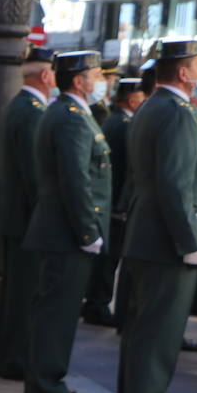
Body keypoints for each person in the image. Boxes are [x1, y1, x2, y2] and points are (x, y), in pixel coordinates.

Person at [118, 40, 197, 393]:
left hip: (152, 238)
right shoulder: (177, 114)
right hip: (168, 243)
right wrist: (190, 242)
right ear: (183, 72)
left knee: (145, 332)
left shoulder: (155, 106)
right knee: (157, 335)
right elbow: (174, 184)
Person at [20, 51, 111, 393]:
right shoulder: (71, 118)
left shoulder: (70, 113)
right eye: (97, 73)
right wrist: (89, 233)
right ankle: (46, 380)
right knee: (57, 311)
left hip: (61, 230)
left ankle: (45, 376)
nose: (102, 79)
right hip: (66, 233)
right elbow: (76, 181)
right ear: (79, 81)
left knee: (55, 308)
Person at [0, 46, 54, 380]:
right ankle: (16, 359)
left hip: (17, 219)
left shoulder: (22, 105)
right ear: (45, 75)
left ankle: (12, 355)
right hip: (26, 221)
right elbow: (35, 175)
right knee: (23, 294)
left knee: (19, 292)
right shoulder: (31, 111)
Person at [82, 76, 145, 327]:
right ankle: (98, 304)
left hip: (110, 199)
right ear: (132, 99)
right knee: (109, 260)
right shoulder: (124, 124)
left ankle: (96, 302)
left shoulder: (115, 120)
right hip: (116, 201)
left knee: (106, 259)